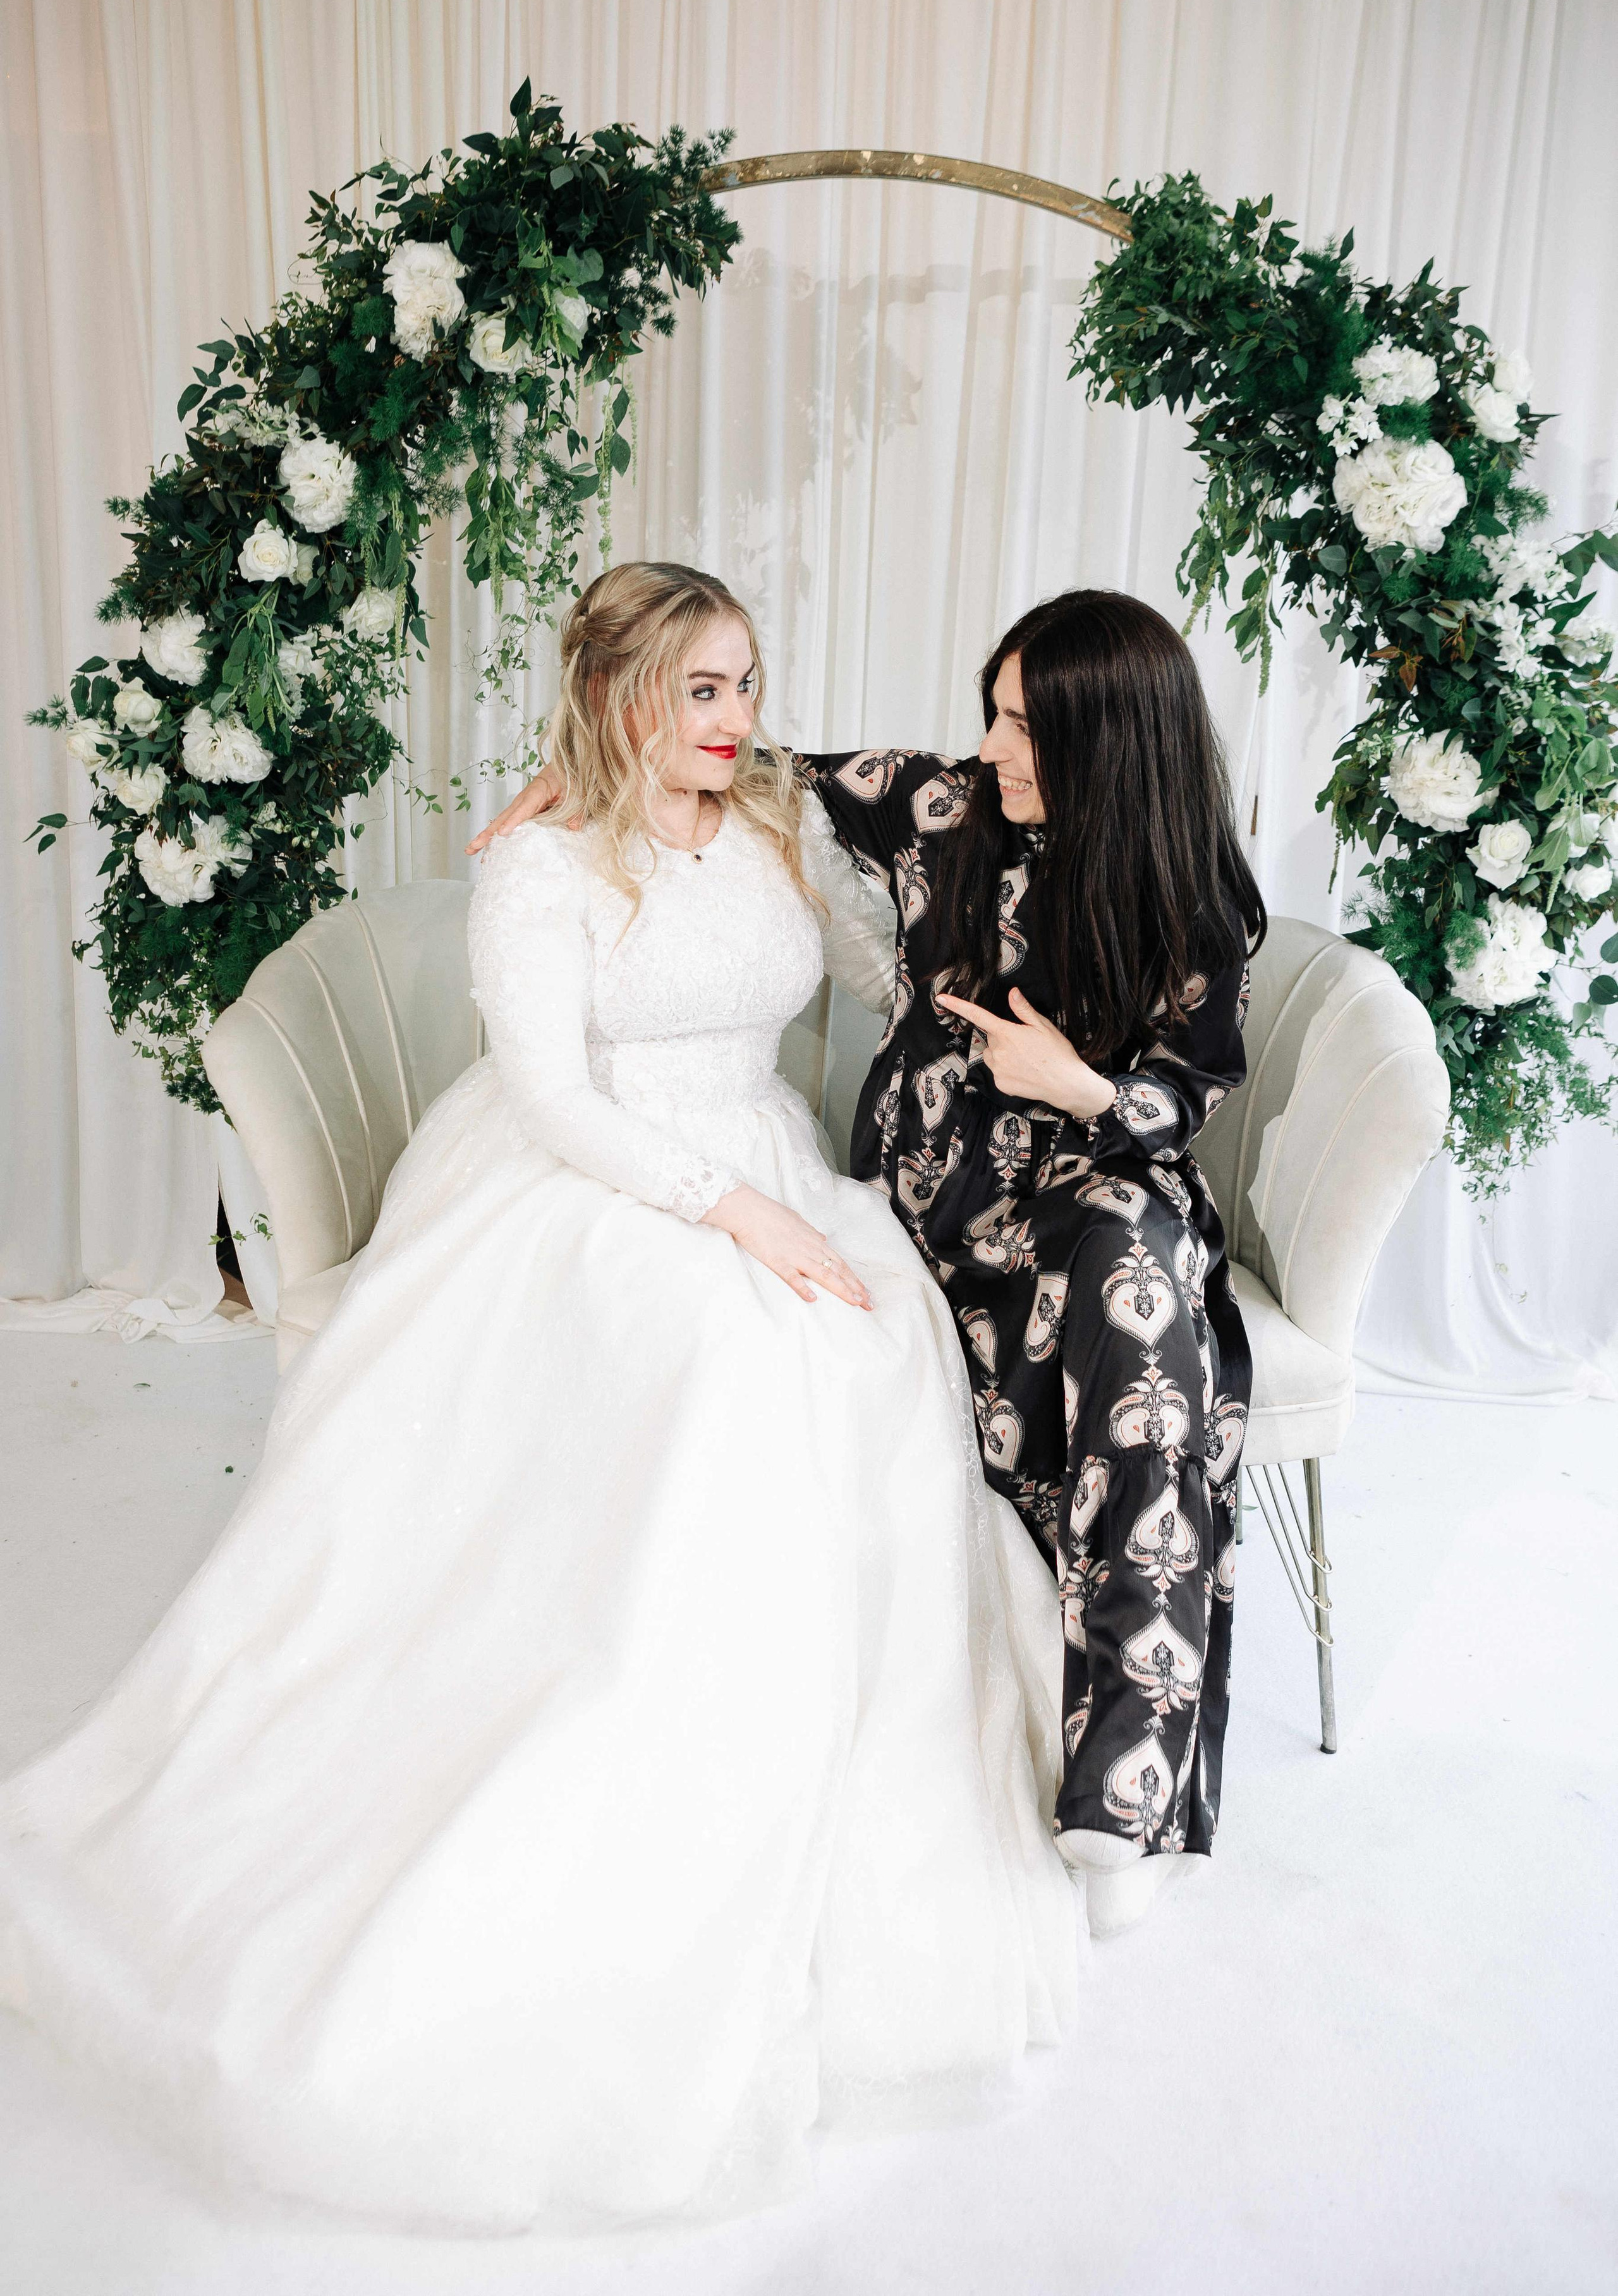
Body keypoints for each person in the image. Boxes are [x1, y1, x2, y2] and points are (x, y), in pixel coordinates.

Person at [0, 563, 1078, 2236]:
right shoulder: (544, 863)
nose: (732, 720)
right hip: (597, 1185)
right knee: (728, 1359)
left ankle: (831, 1748)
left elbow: (883, 971)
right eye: (700, 690)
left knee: (873, 1343)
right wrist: (737, 1215)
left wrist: (1028, 1038)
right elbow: (557, 1096)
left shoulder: (778, 816)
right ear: (623, 689)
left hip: (758, 1150)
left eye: (743, 685)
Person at [479, 588, 1265, 1935]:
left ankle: (1124, 1794)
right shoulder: (940, 803)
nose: (988, 746)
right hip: (940, 1191)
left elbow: (1181, 1098)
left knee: (1146, 1323)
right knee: (975, 1367)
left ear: (1104, 742)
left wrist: (1078, 1085)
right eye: (992, 713)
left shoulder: (1192, 898)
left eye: (1020, 727)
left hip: (1089, 1181)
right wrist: (584, 756)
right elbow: (744, 753)